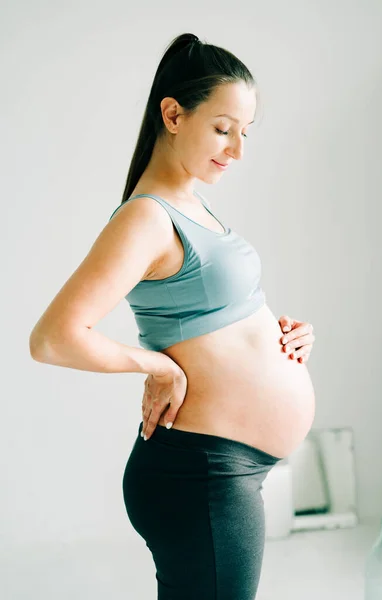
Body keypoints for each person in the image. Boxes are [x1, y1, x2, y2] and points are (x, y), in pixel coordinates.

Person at [29, 33, 316, 600]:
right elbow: (54, 338)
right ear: (173, 114)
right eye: (222, 128)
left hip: (221, 472)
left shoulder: (191, 206)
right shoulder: (146, 218)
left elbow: (214, 315)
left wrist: (283, 336)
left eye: (244, 134)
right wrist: (158, 367)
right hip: (202, 477)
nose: (236, 150)